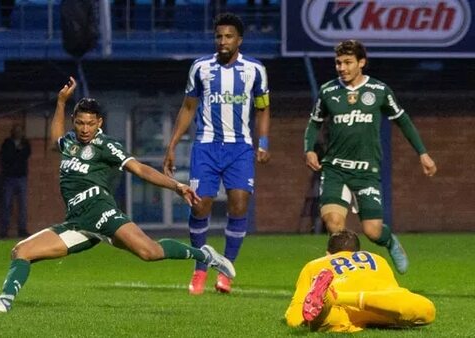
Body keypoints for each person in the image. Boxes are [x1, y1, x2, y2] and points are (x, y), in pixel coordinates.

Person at [0, 77, 235, 312]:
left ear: (99, 123)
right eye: (81, 123)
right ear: (75, 122)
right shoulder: (70, 143)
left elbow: (139, 168)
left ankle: (206, 256)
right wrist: (61, 103)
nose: (85, 129)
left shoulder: (105, 145)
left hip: (102, 214)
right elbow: (55, 139)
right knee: (21, 251)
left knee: (150, 252)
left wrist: (176, 185)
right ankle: (3, 302)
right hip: (77, 222)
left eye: (90, 123)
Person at [303, 39, 437, 274]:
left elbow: (403, 120)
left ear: (361, 63)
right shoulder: (328, 91)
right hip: (335, 169)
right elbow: (314, 124)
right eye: (338, 63)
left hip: (366, 171)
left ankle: (391, 242)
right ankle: (346, 275)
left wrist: (422, 153)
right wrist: (310, 149)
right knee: (335, 224)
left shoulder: (379, 91)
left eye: (347, 62)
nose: (341, 68)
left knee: (372, 230)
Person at [163, 12, 270, 295]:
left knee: (238, 206)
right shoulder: (200, 68)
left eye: (228, 36)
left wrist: (264, 143)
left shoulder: (255, 70)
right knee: (199, 206)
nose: (222, 41)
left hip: (240, 148)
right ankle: (200, 267)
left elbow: (263, 107)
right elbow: (188, 108)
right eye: (219, 36)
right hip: (206, 147)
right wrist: (172, 145)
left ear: (239, 40)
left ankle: (226, 270)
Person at [285, 230, 435, 332]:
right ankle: (338, 300)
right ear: (358, 252)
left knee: (330, 319)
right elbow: (393, 294)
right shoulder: (377, 258)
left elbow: (294, 316)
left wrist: (299, 319)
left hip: (346, 310)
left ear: (328, 253)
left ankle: (329, 301)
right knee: (427, 310)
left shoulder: (315, 264)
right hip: (380, 306)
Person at [0, 124, 31, 238]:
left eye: (20, 131)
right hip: (9, 177)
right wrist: (17, 153)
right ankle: (4, 229)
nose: (18, 133)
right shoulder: (7, 143)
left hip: (21, 177)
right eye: (16, 131)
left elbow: (25, 155)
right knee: (6, 204)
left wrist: (17, 153)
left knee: (22, 205)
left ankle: (22, 229)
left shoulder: (25, 143)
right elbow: (6, 157)